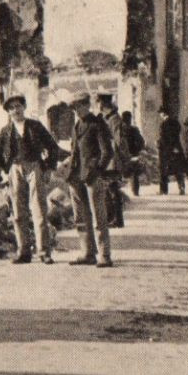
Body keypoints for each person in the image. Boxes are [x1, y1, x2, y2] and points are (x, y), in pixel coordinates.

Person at [0, 94, 64, 263]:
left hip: (34, 166)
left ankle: (44, 252)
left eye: (18, 106)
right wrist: (2, 171)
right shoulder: (6, 131)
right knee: (19, 212)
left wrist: (49, 168)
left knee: (39, 210)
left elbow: (52, 147)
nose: (16, 110)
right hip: (15, 169)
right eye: (12, 108)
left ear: (24, 107)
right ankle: (24, 252)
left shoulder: (35, 126)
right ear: (8, 112)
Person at [64, 93, 117, 268]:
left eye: (79, 106)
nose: (77, 111)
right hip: (76, 177)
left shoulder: (97, 124)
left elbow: (107, 152)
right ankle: (87, 252)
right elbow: (74, 152)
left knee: (98, 217)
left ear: (87, 105)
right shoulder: (77, 125)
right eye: (74, 108)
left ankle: (104, 255)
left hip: (92, 177)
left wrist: (97, 171)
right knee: (80, 217)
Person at [97, 96, 128, 227]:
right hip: (111, 159)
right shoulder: (109, 118)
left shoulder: (114, 119)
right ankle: (115, 219)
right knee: (111, 190)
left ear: (103, 104)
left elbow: (119, 141)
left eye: (98, 103)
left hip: (112, 160)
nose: (97, 106)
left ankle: (114, 219)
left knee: (111, 190)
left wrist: (120, 158)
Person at [157, 108, 188, 194]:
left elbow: (163, 138)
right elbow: (177, 134)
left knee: (163, 169)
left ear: (163, 114)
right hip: (177, 148)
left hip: (167, 150)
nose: (160, 116)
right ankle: (181, 188)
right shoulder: (176, 122)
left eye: (160, 114)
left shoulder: (163, 124)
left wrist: (159, 143)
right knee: (178, 169)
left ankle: (163, 190)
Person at [119, 109, 146, 196]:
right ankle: (135, 192)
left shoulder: (120, 130)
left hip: (122, 154)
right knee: (134, 173)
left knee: (120, 172)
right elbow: (141, 141)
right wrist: (138, 150)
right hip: (133, 154)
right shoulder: (134, 129)